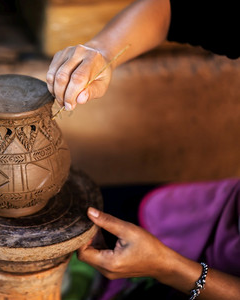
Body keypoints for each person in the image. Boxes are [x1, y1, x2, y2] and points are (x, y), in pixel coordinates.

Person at [46, 0, 240, 299]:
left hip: (220, 284)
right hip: (220, 211)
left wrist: (168, 268)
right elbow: (168, 9)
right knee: (73, 212)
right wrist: (102, 51)